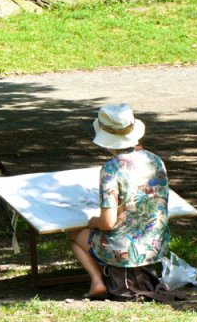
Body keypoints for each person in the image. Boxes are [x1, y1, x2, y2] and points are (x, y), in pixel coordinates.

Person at [68, 103, 170, 299]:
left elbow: (107, 223)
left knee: (73, 234)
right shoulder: (155, 160)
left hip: (124, 250)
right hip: (156, 245)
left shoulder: (111, 168)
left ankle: (97, 281)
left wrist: (92, 222)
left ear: (106, 140)